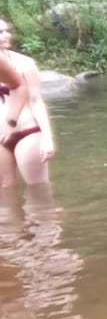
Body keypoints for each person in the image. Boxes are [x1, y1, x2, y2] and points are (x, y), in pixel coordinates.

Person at [0, 18, 58, 193]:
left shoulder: (25, 63)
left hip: (27, 132)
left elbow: (36, 101)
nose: (5, 35)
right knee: (5, 193)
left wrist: (47, 137)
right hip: (1, 139)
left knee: (39, 191)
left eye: (7, 31)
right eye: (0, 32)